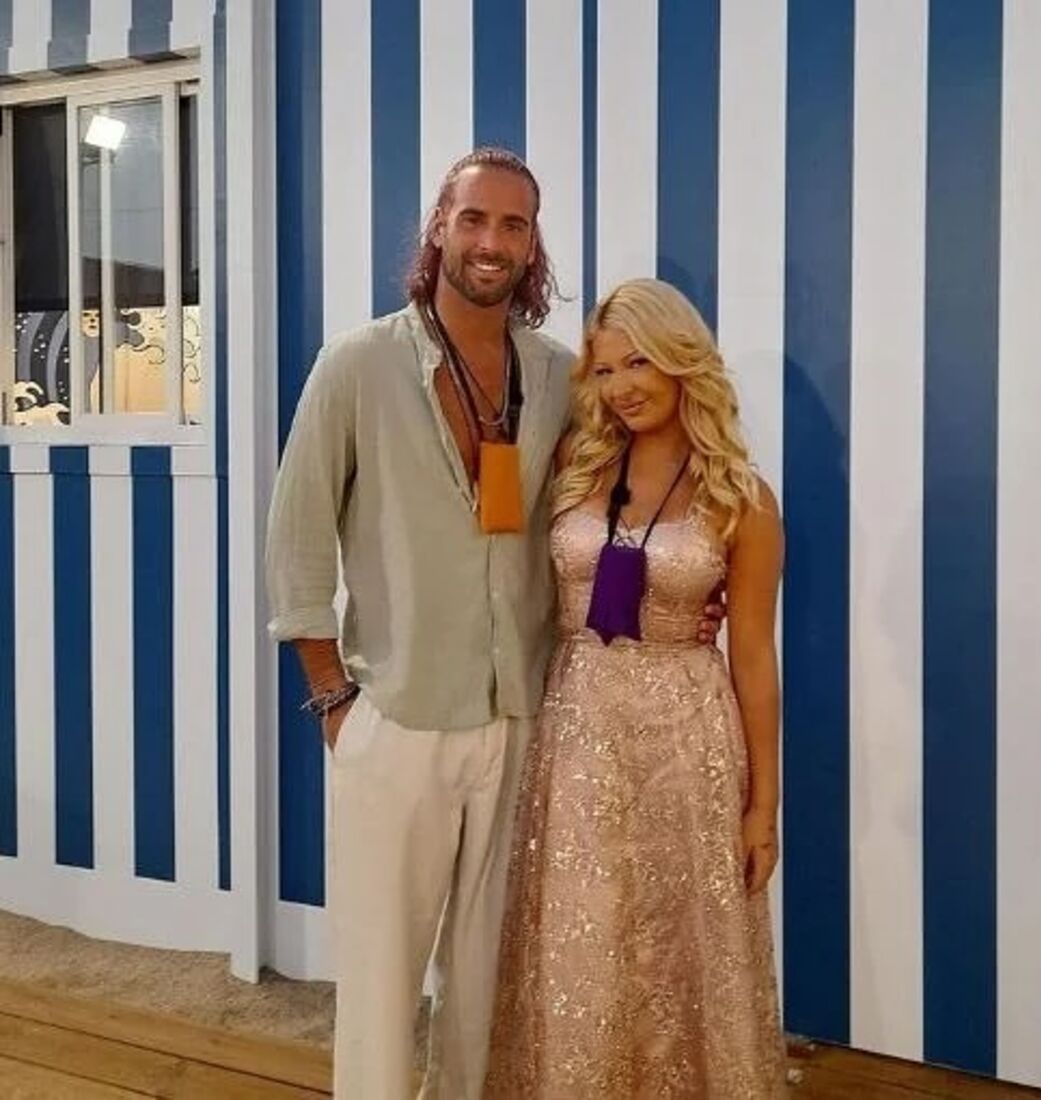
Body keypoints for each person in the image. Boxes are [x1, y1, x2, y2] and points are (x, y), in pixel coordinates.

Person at [266, 149, 724, 1098]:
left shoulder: (558, 375)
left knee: (489, 981)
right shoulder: (356, 365)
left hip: (525, 716)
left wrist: (691, 575)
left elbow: (617, 493)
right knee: (381, 983)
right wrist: (333, 700)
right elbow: (296, 537)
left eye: (514, 224)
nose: (492, 241)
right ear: (439, 226)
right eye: (474, 218)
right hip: (397, 712)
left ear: (531, 244)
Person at [485, 278, 787, 1098]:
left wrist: (762, 807)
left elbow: (753, 658)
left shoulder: (743, 499)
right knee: (583, 927)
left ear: (684, 360)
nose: (622, 385)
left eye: (640, 362)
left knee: (679, 937)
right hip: (578, 729)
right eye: (607, 368)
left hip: (688, 739)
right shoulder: (574, 466)